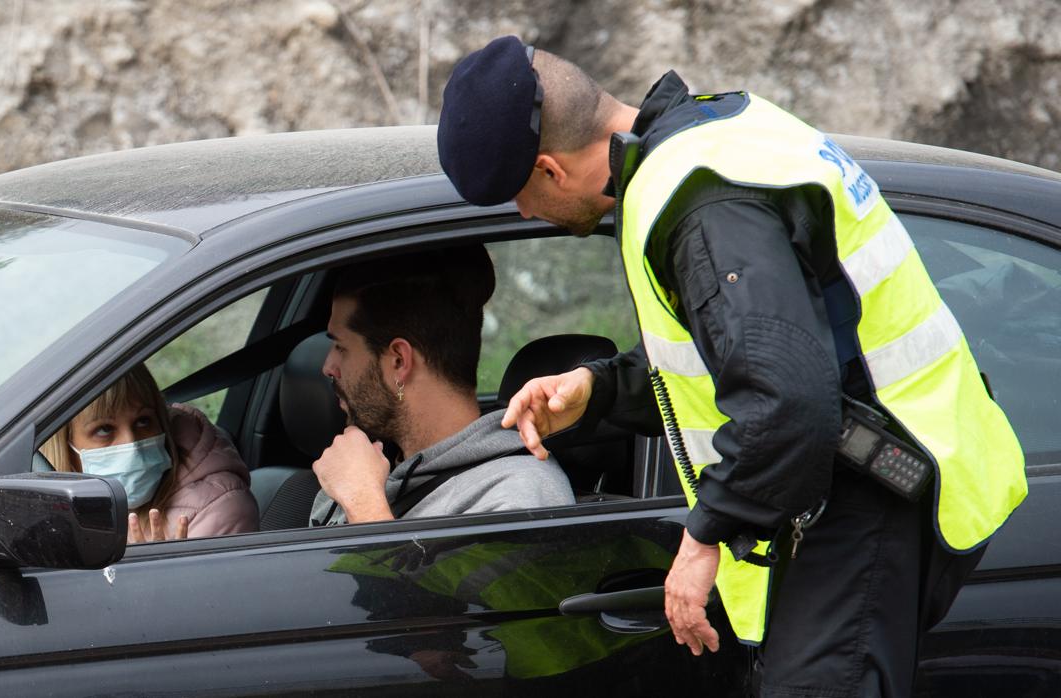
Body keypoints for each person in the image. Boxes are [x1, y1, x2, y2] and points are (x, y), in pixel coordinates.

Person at [436, 36, 1027, 697]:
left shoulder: (699, 203)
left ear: (549, 170)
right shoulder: (719, 130)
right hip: (863, 474)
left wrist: (706, 533)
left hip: (866, 490)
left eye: (518, 197)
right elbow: (739, 350)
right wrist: (599, 390)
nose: (523, 215)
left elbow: (788, 399)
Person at [308, 244, 575, 526]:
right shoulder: (363, 468)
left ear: (399, 361)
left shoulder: (520, 495)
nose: (328, 367)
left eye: (341, 347)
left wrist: (362, 502)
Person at [39, 364, 258, 543]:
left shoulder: (221, 509)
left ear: (162, 422)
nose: (132, 444)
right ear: (65, 445)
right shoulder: (59, 506)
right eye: (105, 429)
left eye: (143, 421)